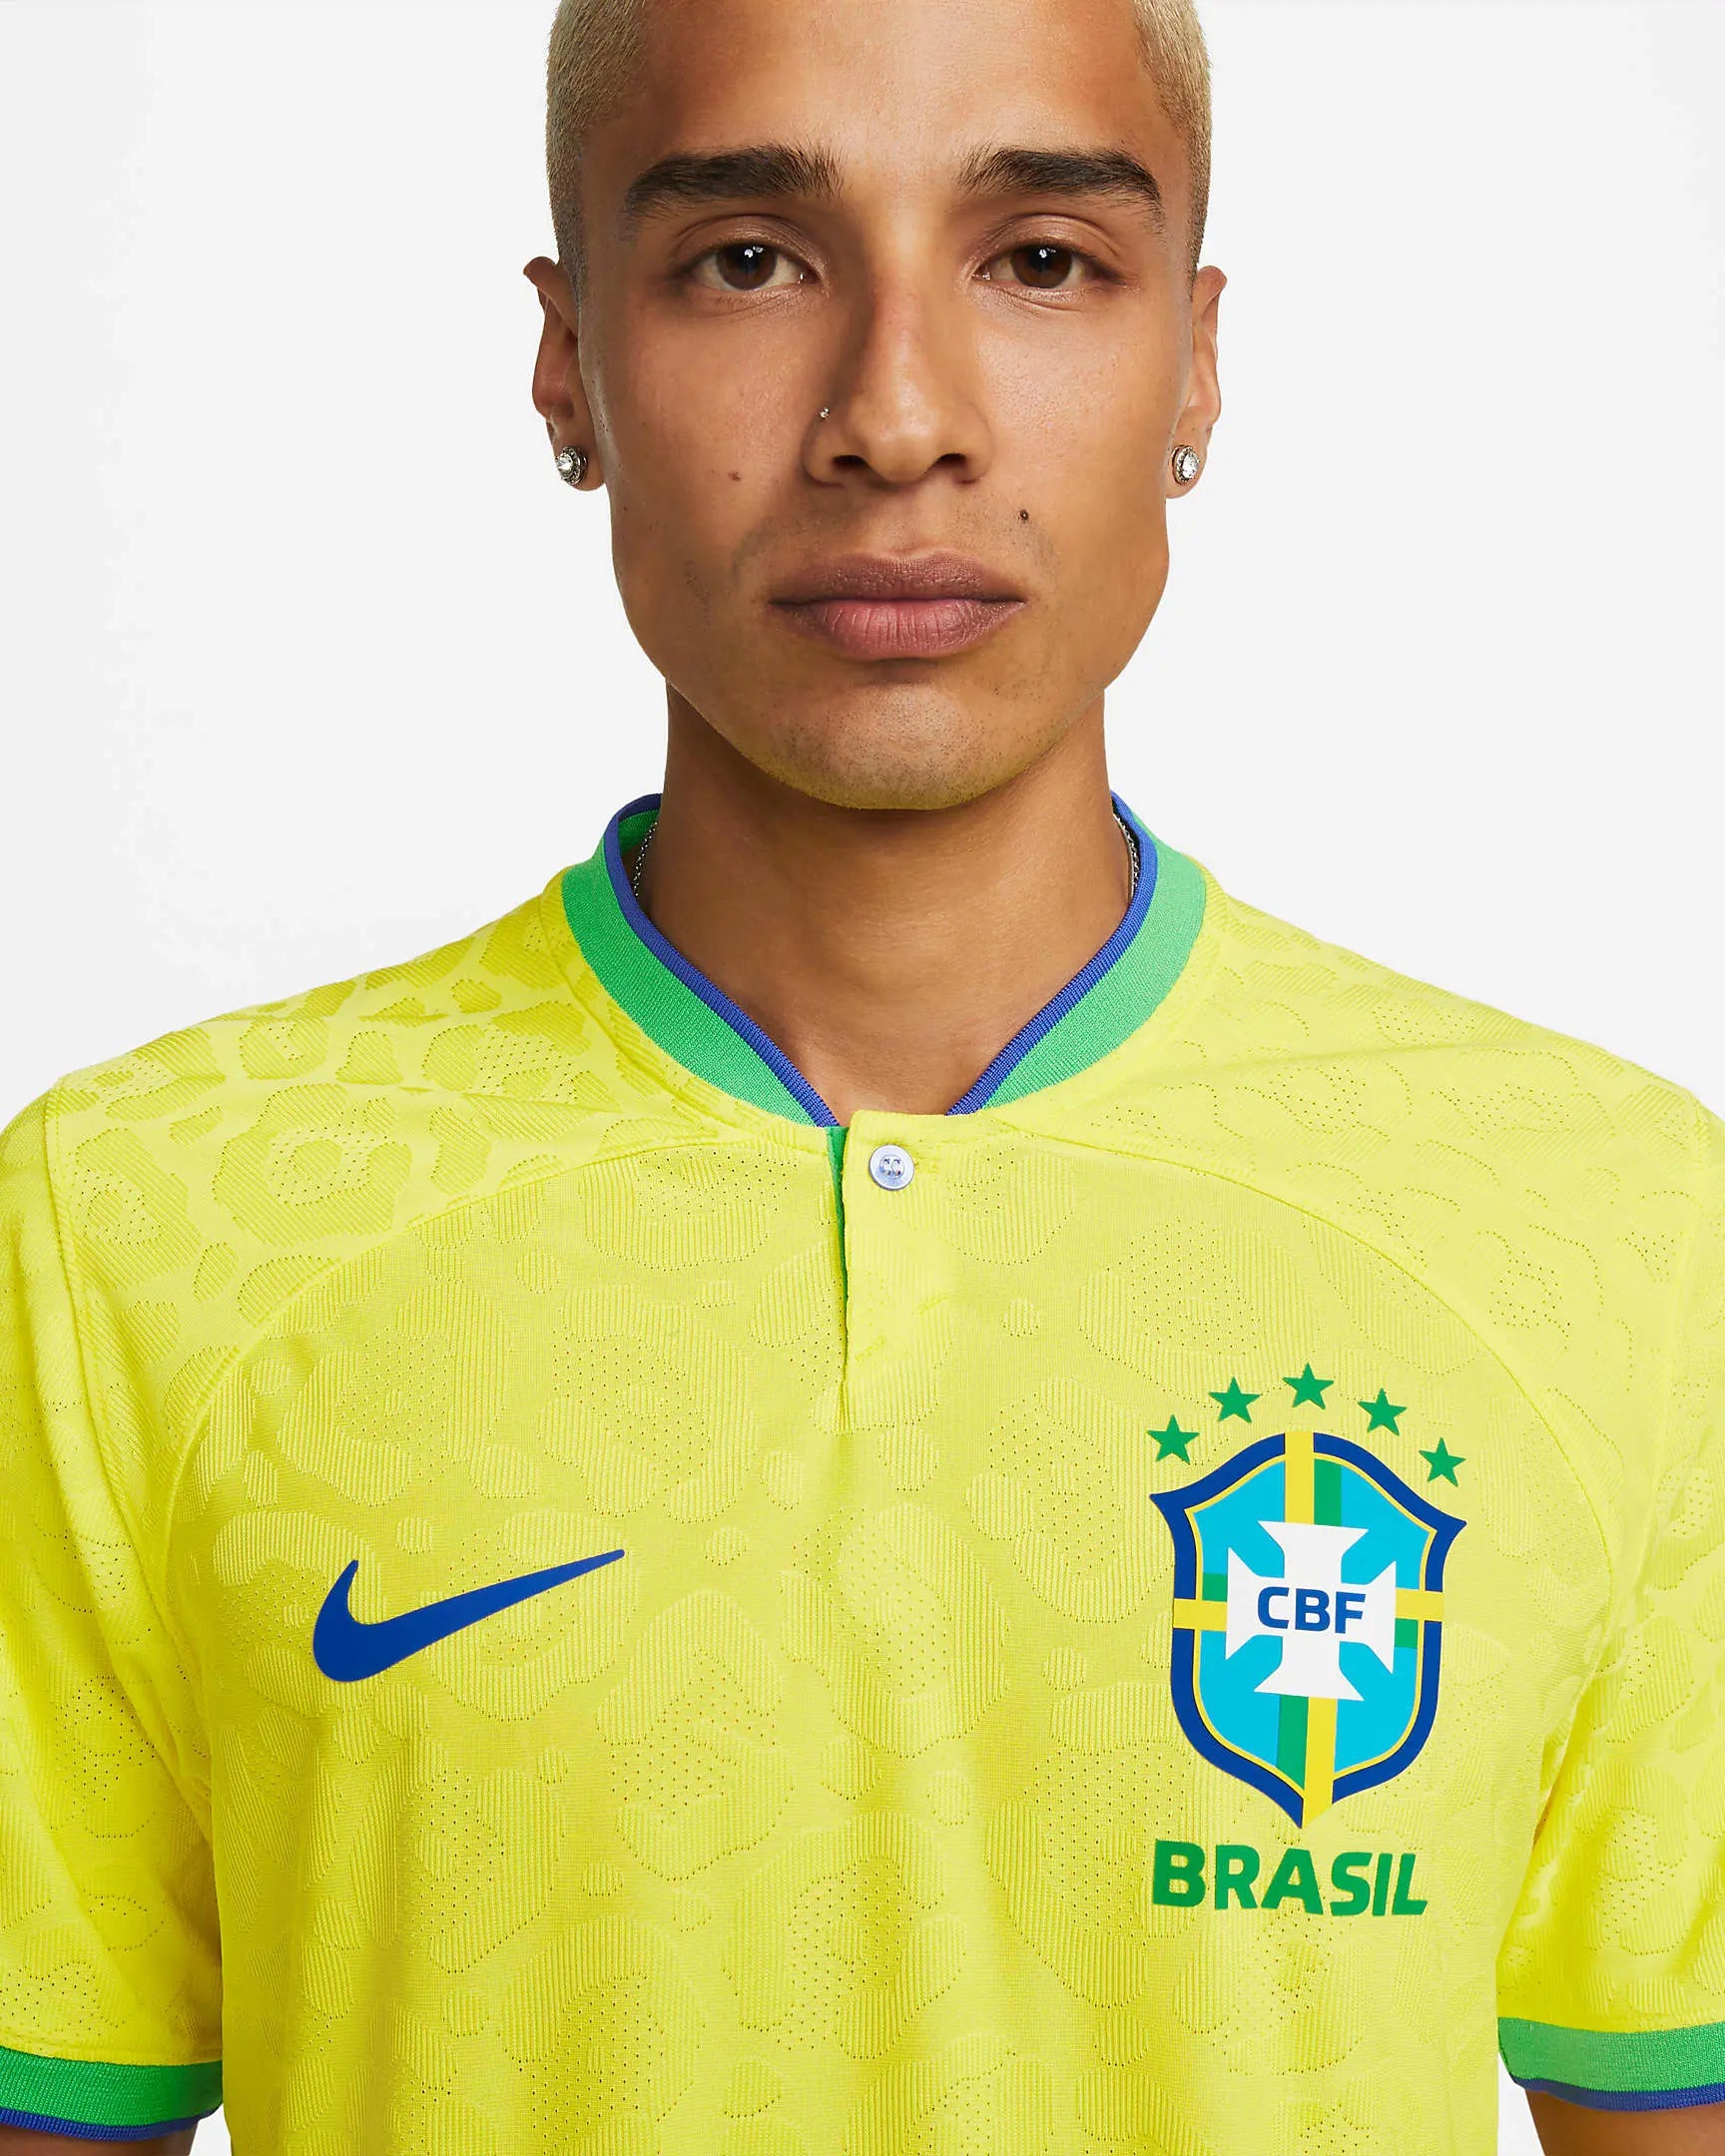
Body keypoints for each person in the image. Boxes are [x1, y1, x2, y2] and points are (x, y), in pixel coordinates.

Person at [1, 0, 1720, 2150]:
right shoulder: (132, 1231)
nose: (898, 419)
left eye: (1041, 261)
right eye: (748, 260)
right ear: (569, 365)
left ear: (1195, 365)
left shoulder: (1614, 1232)